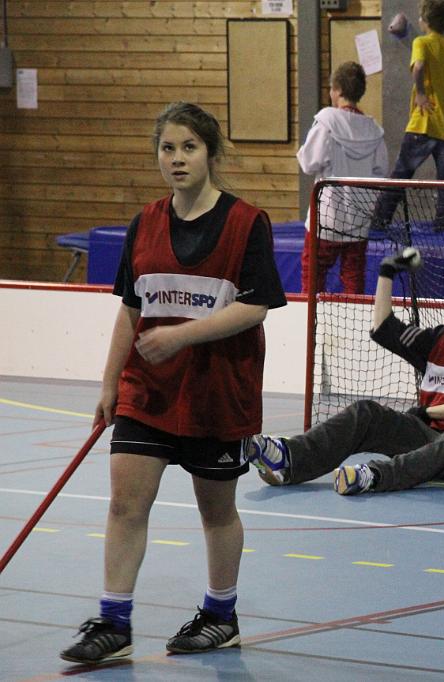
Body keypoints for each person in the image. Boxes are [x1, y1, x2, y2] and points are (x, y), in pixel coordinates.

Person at [60, 102, 287, 665]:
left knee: (216, 511)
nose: (177, 158)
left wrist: (182, 336)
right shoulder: (145, 223)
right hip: (148, 391)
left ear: (210, 153)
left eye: (189, 147)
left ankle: (221, 615)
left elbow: (257, 305)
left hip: (217, 393)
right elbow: (130, 309)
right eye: (168, 148)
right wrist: (110, 383)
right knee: (124, 504)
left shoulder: (247, 223)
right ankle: (113, 622)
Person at [244, 256, 444, 495]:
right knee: (366, 413)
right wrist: (386, 272)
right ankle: (290, 460)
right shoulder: (443, 338)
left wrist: (425, 412)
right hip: (433, 437)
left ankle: (374, 477)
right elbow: (383, 328)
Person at [372, 0, 444, 232]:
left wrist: (421, 94)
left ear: (425, 21)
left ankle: (380, 221)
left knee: (401, 174)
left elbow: (419, 67)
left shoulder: (421, 42)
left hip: (423, 122)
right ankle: (443, 223)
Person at [297, 61, 388, 295]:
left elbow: (309, 163)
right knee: (353, 275)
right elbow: (381, 172)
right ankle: (355, 315)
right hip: (359, 219)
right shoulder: (374, 130)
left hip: (326, 218)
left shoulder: (327, 122)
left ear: (336, 90)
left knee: (313, 274)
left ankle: (310, 316)